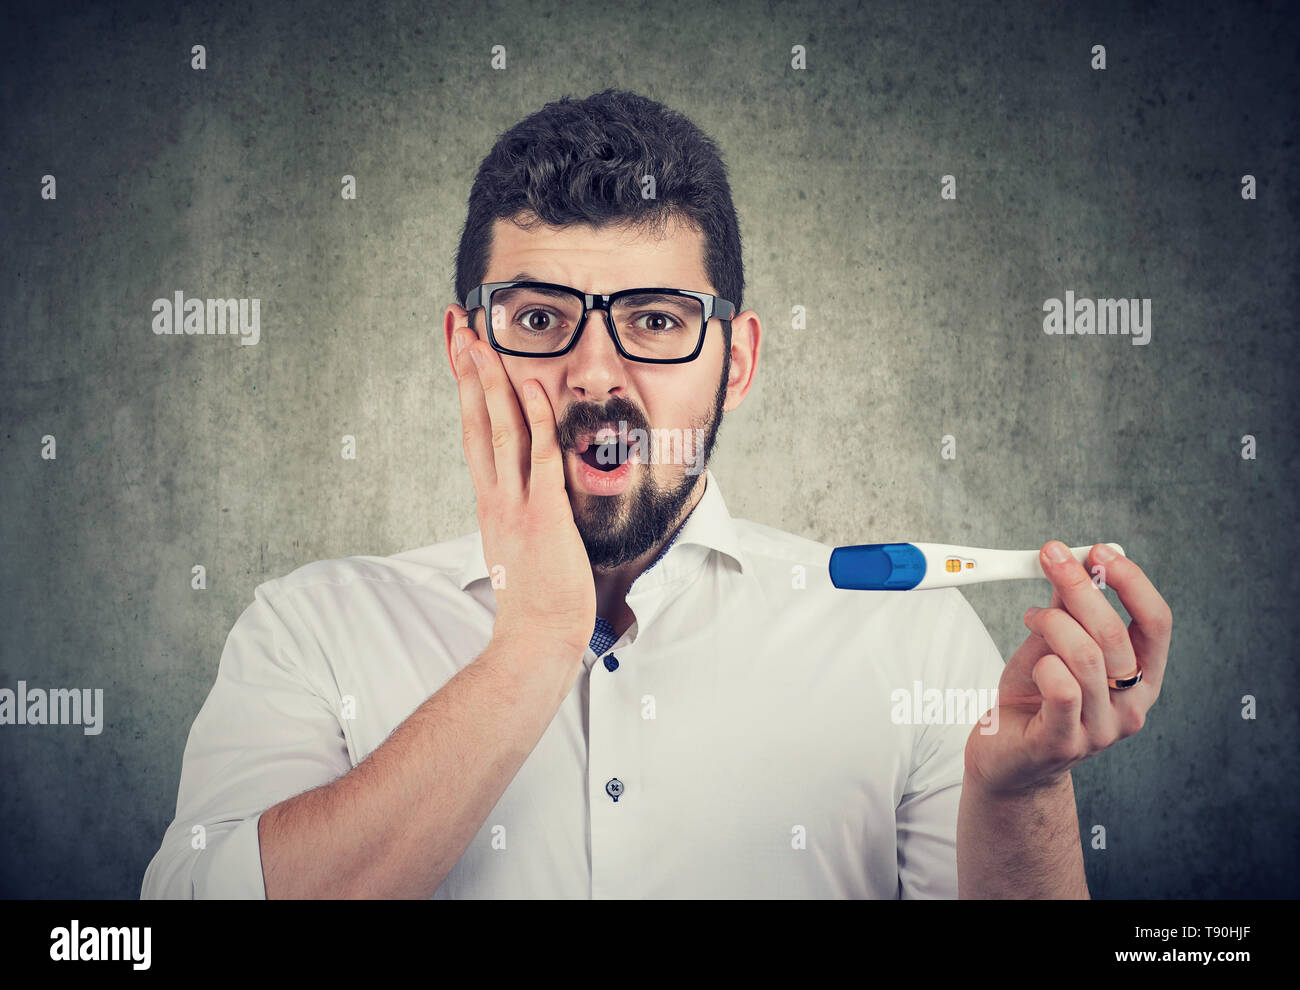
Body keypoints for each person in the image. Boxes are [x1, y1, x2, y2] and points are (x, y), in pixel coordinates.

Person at [142, 88, 1171, 899]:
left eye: (658, 319)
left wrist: (1020, 794)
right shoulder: (312, 630)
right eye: (540, 321)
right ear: (466, 349)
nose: (596, 375)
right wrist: (537, 638)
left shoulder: (907, 640)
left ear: (737, 360)